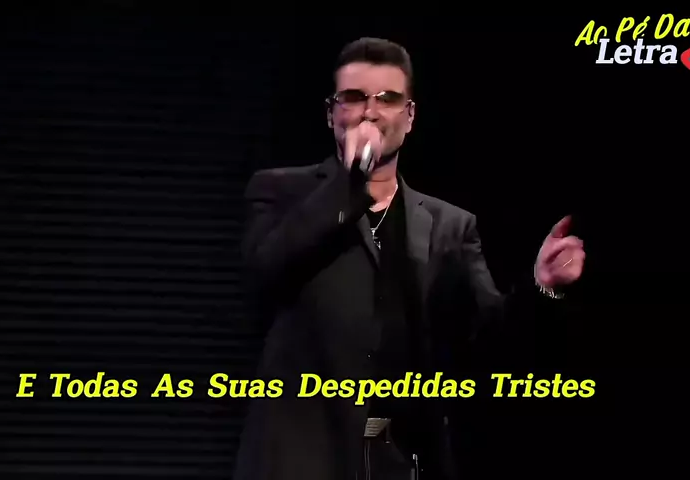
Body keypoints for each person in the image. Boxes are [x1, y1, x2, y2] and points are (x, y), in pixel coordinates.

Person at [234, 37, 585, 480]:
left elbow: (488, 338)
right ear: (331, 113)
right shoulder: (280, 192)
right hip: (301, 459)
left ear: (410, 116)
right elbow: (265, 272)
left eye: (387, 99)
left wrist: (542, 287)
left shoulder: (449, 225)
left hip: (402, 460)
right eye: (353, 98)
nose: (370, 112)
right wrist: (351, 181)